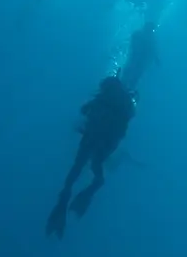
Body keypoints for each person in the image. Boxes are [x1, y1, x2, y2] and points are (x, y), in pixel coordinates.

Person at [48, 76, 138, 237]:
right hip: (106, 144)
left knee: (76, 169)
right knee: (97, 172)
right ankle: (85, 195)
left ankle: (62, 203)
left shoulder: (103, 96)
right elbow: (125, 125)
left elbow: (84, 110)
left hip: (90, 138)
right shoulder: (125, 103)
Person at [121, 18, 160, 89]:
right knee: (131, 72)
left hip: (139, 60)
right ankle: (125, 85)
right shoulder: (144, 36)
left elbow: (153, 50)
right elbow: (152, 49)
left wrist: (156, 58)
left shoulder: (144, 36)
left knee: (134, 74)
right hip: (136, 58)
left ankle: (127, 86)